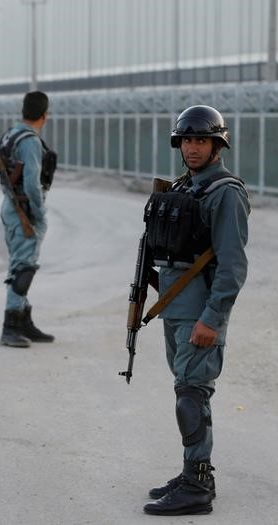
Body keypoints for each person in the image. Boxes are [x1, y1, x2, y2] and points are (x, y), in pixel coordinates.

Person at [142, 105, 250, 516]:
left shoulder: (225, 193)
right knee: (185, 388)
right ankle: (193, 471)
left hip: (200, 314)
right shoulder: (187, 187)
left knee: (192, 394)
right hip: (175, 310)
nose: (192, 147)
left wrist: (212, 317)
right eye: (186, 140)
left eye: (201, 140)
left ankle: (197, 484)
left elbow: (232, 265)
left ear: (216, 145)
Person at [0, 91, 55, 347]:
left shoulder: (10, 134)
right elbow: (32, 183)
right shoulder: (30, 141)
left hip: (11, 207)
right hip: (25, 212)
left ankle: (24, 321)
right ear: (44, 115)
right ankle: (10, 327)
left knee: (20, 265)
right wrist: (40, 213)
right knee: (23, 269)